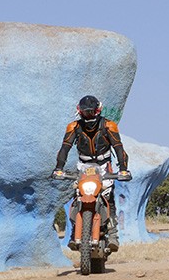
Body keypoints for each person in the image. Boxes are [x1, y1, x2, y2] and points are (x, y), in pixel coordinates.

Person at [52, 95, 131, 253]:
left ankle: (113, 234)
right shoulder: (73, 127)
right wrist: (59, 167)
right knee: (77, 196)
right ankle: (74, 232)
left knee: (108, 196)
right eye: (85, 112)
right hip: (84, 166)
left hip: (104, 165)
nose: (88, 115)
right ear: (80, 111)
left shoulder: (109, 125)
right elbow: (65, 147)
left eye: (91, 112)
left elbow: (118, 147)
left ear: (97, 110)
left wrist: (123, 168)